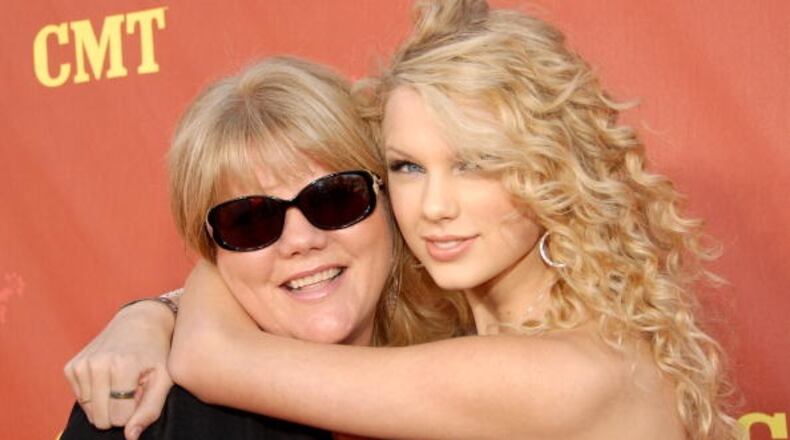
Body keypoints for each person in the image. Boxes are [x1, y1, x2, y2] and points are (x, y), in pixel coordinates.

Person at [68, 1, 740, 439]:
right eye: (408, 168)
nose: (434, 205)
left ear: (554, 171)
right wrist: (152, 311)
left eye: (476, 163)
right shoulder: (456, 333)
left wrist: (173, 295)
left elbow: (218, 357)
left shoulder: (566, 373)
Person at [61, 55, 467, 440]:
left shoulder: (477, 367)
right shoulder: (148, 414)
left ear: (389, 200)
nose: (301, 241)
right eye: (250, 221)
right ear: (213, 252)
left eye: (334, 197)